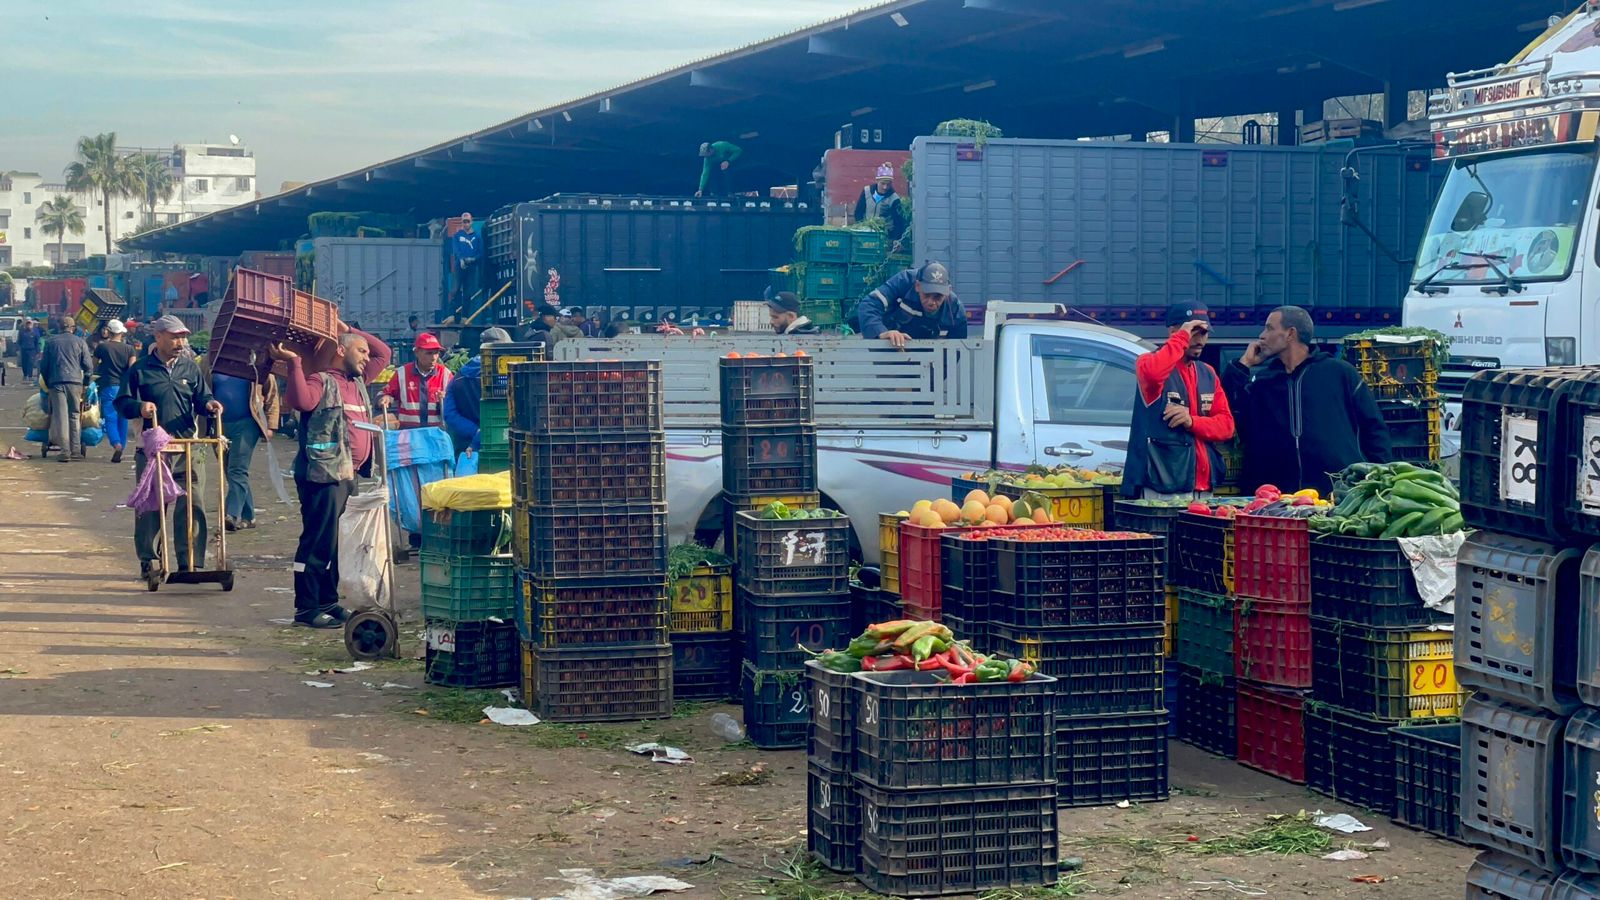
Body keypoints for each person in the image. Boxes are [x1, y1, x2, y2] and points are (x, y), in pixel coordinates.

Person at [270, 324, 392, 628]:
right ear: (340, 350)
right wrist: (294, 362)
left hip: (347, 475)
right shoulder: (320, 380)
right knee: (317, 542)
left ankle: (327, 600)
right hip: (322, 475)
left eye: (366, 352)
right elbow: (300, 402)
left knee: (337, 543)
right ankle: (306, 608)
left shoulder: (358, 382)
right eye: (360, 351)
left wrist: (347, 328)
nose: (367, 357)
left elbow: (384, 353)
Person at [1223, 305, 1393, 497]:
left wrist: (1379, 479)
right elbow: (1231, 411)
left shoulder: (1339, 373)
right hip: (1278, 499)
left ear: (1290, 333)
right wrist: (1244, 364)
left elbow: (1374, 428)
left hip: (1338, 493)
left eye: (1269, 328)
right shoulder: (1263, 382)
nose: (1262, 336)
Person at [117, 316, 223, 577]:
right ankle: (150, 560)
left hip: (187, 445)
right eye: (175, 337)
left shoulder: (190, 368)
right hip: (153, 448)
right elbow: (121, 402)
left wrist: (210, 404)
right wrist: (140, 407)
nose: (180, 342)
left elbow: (202, 397)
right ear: (159, 337)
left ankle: (191, 561)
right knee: (152, 504)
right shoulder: (140, 369)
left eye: (183, 337)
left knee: (192, 502)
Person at [1122, 302, 1235, 500]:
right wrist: (1182, 337)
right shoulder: (1147, 362)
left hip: (1202, 488)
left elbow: (1227, 426)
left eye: (1204, 333)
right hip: (1161, 486)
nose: (1200, 340)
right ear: (1174, 332)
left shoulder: (1207, 372)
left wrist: (1192, 421)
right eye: (1194, 332)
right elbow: (1154, 373)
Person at [214, 370, 281, 532]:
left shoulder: (256, 363)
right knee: (231, 471)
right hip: (218, 425)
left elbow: (271, 393)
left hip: (247, 423)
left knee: (237, 470)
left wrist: (271, 425)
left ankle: (231, 514)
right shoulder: (211, 361)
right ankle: (248, 516)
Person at [857, 261, 968, 347]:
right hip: (891, 346)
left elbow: (957, 349)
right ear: (917, 286)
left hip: (929, 353)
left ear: (948, 291)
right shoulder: (903, 281)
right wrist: (881, 332)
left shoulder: (956, 309)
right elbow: (868, 305)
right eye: (926, 295)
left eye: (938, 297)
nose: (931, 302)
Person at [443, 327, 511, 459]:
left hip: (466, 446)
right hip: (499, 443)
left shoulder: (458, 377)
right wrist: (482, 435)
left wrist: (475, 431)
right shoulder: (504, 377)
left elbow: (450, 414)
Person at [40, 315, 93, 462]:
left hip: (56, 382)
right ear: (73, 328)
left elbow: (43, 367)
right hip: (75, 382)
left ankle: (65, 451)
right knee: (74, 415)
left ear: (59, 327)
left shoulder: (50, 342)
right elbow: (88, 367)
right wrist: (86, 383)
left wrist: (48, 383)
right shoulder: (80, 342)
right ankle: (76, 450)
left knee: (61, 416)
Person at [380, 332, 454, 429]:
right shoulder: (402, 373)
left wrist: (447, 399)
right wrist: (386, 398)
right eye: (429, 353)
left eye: (436, 353)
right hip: (409, 433)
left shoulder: (445, 374)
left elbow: (456, 405)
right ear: (417, 352)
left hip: (436, 434)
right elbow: (385, 394)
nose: (434, 358)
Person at [93, 319, 136, 463]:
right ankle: (121, 447)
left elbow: (93, 366)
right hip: (124, 388)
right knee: (123, 418)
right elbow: (132, 369)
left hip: (108, 386)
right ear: (122, 333)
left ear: (109, 332)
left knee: (110, 417)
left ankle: (116, 443)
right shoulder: (129, 349)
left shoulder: (102, 347)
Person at [853, 162, 908, 242]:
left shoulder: (894, 199)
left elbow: (898, 222)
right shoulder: (867, 191)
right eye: (882, 183)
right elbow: (858, 212)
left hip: (885, 235)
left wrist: (895, 240)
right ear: (877, 181)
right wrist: (861, 227)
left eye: (888, 184)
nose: (885, 187)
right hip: (867, 232)